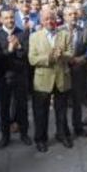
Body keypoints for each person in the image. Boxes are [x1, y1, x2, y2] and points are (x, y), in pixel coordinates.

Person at [29, 8, 74, 152]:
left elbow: (71, 54)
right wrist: (48, 58)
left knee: (61, 110)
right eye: (46, 19)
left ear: (56, 20)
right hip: (43, 80)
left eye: (52, 19)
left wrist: (62, 56)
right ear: (41, 21)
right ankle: (41, 139)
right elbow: (32, 59)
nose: (50, 21)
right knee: (41, 112)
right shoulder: (35, 37)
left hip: (62, 78)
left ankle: (62, 134)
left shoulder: (65, 34)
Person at [0, 7, 32, 149]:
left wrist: (18, 46)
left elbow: (26, 54)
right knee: (4, 108)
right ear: (1, 20)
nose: (9, 20)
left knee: (22, 106)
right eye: (6, 18)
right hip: (3, 77)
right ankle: (5, 135)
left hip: (20, 75)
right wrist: (9, 49)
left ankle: (24, 133)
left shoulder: (22, 33)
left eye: (11, 17)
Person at [63, 6, 87, 138]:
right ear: (65, 17)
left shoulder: (83, 31)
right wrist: (67, 59)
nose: (73, 16)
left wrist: (81, 59)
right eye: (70, 14)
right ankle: (63, 130)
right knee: (62, 103)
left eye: (74, 14)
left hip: (78, 70)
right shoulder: (58, 31)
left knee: (77, 101)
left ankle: (78, 127)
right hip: (63, 71)